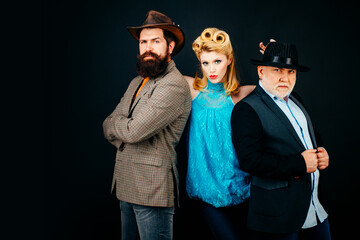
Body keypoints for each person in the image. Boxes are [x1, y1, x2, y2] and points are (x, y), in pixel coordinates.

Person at [103, 10, 192, 240]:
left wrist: (119, 124)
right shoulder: (137, 82)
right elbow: (107, 124)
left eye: (155, 41)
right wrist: (119, 124)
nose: (148, 47)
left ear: (170, 47)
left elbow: (134, 131)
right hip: (126, 184)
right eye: (143, 42)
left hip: (152, 191)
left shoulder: (174, 84)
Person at [231, 41, 331, 240]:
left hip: (315, 208)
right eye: (277, 70)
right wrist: (300, 163)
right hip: (279, 216)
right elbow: (250, 161)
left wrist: (321, 150)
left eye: (291, 71)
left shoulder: (295, 99)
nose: (285, 78)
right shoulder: (246, 109)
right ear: (261, 71)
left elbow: (307, 135)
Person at [184, 28, 255, 240]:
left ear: (229, 60)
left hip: (240, 187)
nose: (211, 69)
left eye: (217, 61)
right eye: (205, 63)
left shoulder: (242, 94)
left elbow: (275, 81)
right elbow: (161, 67)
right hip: (206, 190)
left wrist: (270, 51)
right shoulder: (191, 89)